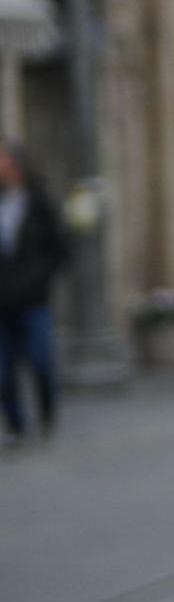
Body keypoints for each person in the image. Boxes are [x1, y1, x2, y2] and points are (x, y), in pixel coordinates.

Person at [0, 140, 69, 445]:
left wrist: (37, 280)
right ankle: (15, 424)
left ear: (15, 163)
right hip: (1, 301)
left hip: (33, 300)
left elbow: (61, 249)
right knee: (2, 369)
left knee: (40, 360)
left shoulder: (39, 199)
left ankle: (47, 414)